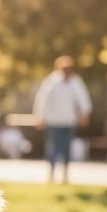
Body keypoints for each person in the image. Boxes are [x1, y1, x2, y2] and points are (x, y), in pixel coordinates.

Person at [32, 55, 92, 184]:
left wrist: (84, 114)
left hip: (69, 121)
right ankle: (52, 173)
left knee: (67, 148)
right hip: (54, 121)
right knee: (53, 148)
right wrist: (40, 116)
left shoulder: (76, 82)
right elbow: (42, 100)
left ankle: (65, 174)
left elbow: (83, 100)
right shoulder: (52, 81)